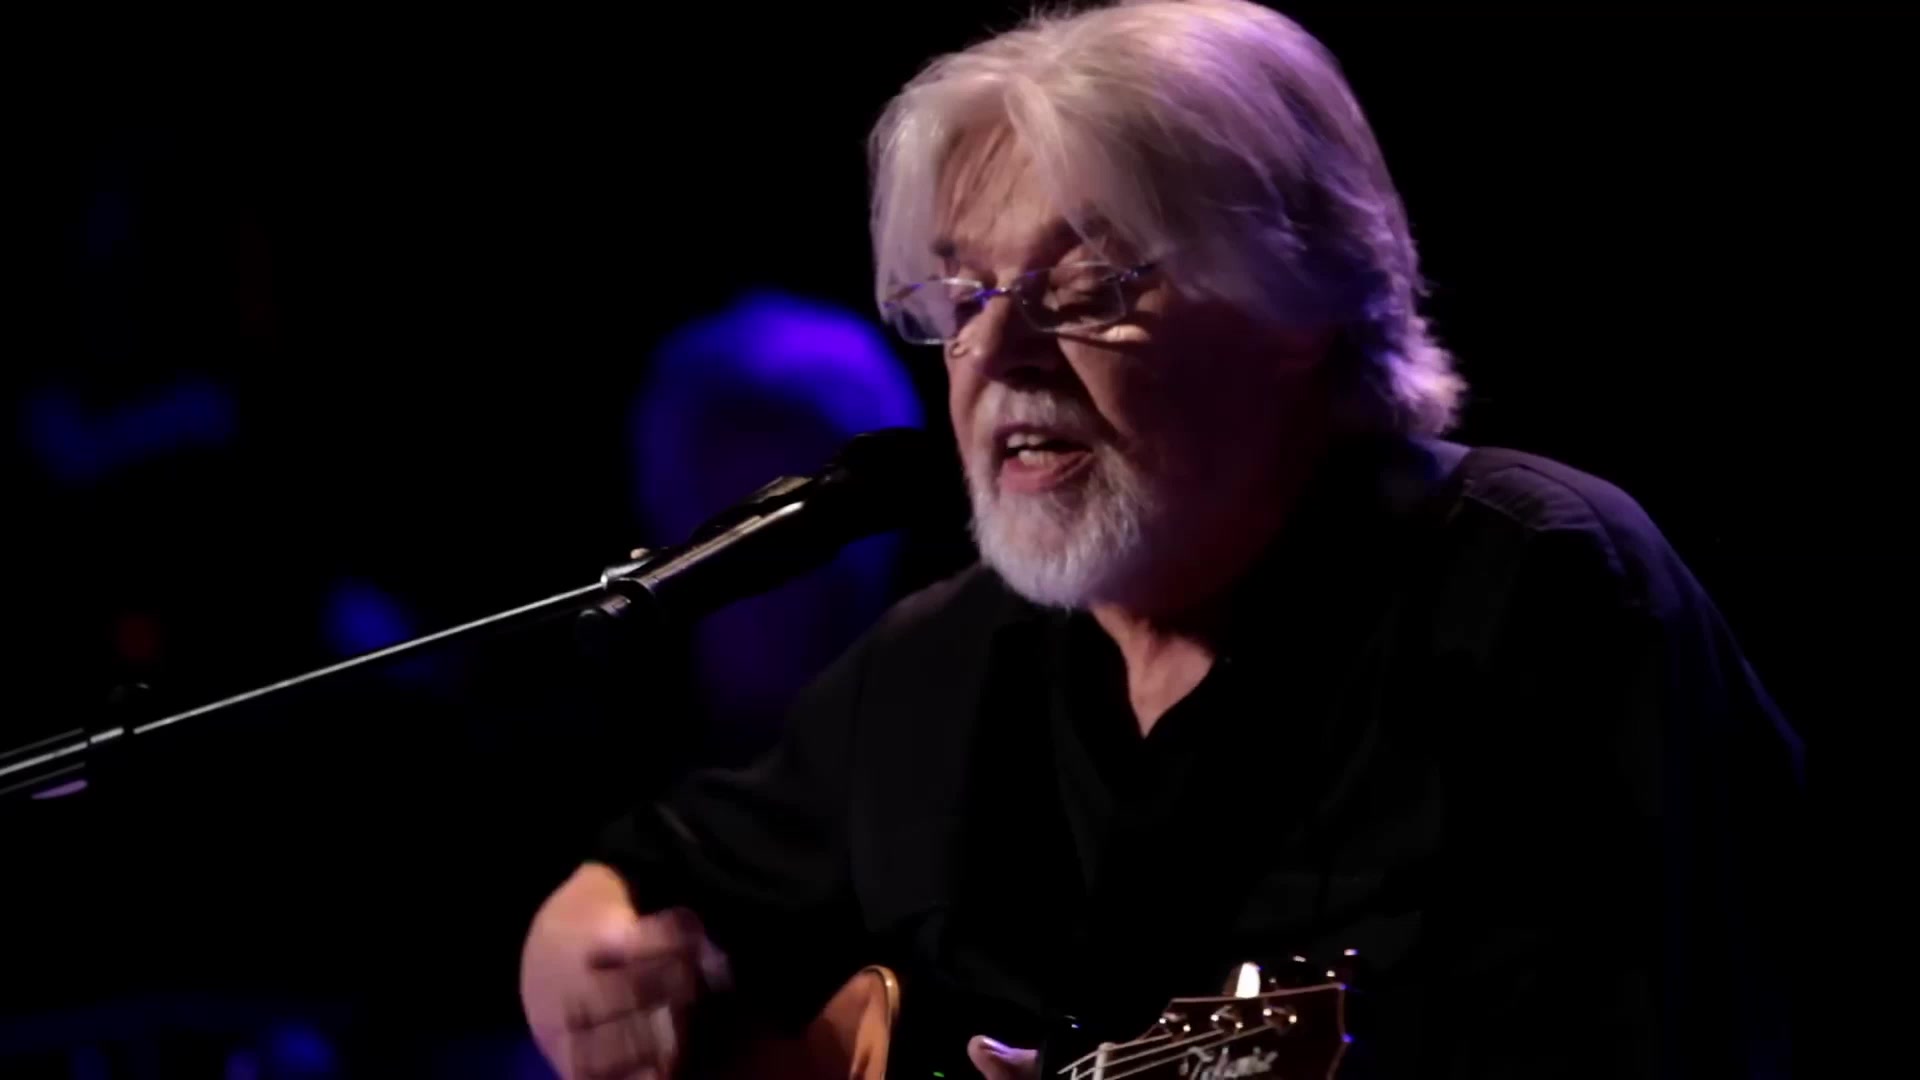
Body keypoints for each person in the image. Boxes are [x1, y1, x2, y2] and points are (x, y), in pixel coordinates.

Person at [519, 2, 1803, 1076]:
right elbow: (643, 881)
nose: (996, 352)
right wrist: (590, 961)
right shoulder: (940, 665)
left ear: (1300, 302)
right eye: (961, 294)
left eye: (1087, 286)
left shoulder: (1535, 586)